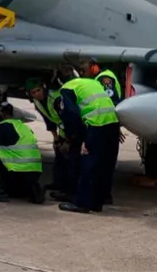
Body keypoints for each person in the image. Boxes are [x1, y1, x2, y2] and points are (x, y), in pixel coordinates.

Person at [56, 76, 121, 214]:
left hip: (96, 123)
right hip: (113, 123)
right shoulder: (91, 83)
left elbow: (72, 114)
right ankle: (98, 202)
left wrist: (80, 140)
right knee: (105, 165)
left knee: (89, 164)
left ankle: (82, 203)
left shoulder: (65, 90)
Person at [0, 102, 45, 204]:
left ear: (1, 114)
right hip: (34, 173)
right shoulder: (22, 126)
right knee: (9, 151)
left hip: (17, 173)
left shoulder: (1, 127)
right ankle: (31, 188)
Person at [25, 77, 77, 196]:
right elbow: (49, 120)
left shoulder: (56, 99)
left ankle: (68, 190)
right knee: (59, 155)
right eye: (33, 92)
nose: (37, 94)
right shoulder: (38, 102)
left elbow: (69, 119)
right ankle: (58, 183)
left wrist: (68, 141)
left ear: (43, 88)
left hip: (73, 128)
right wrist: (56, 138)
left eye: (38, 90)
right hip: (64, 130)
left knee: (71, 159)